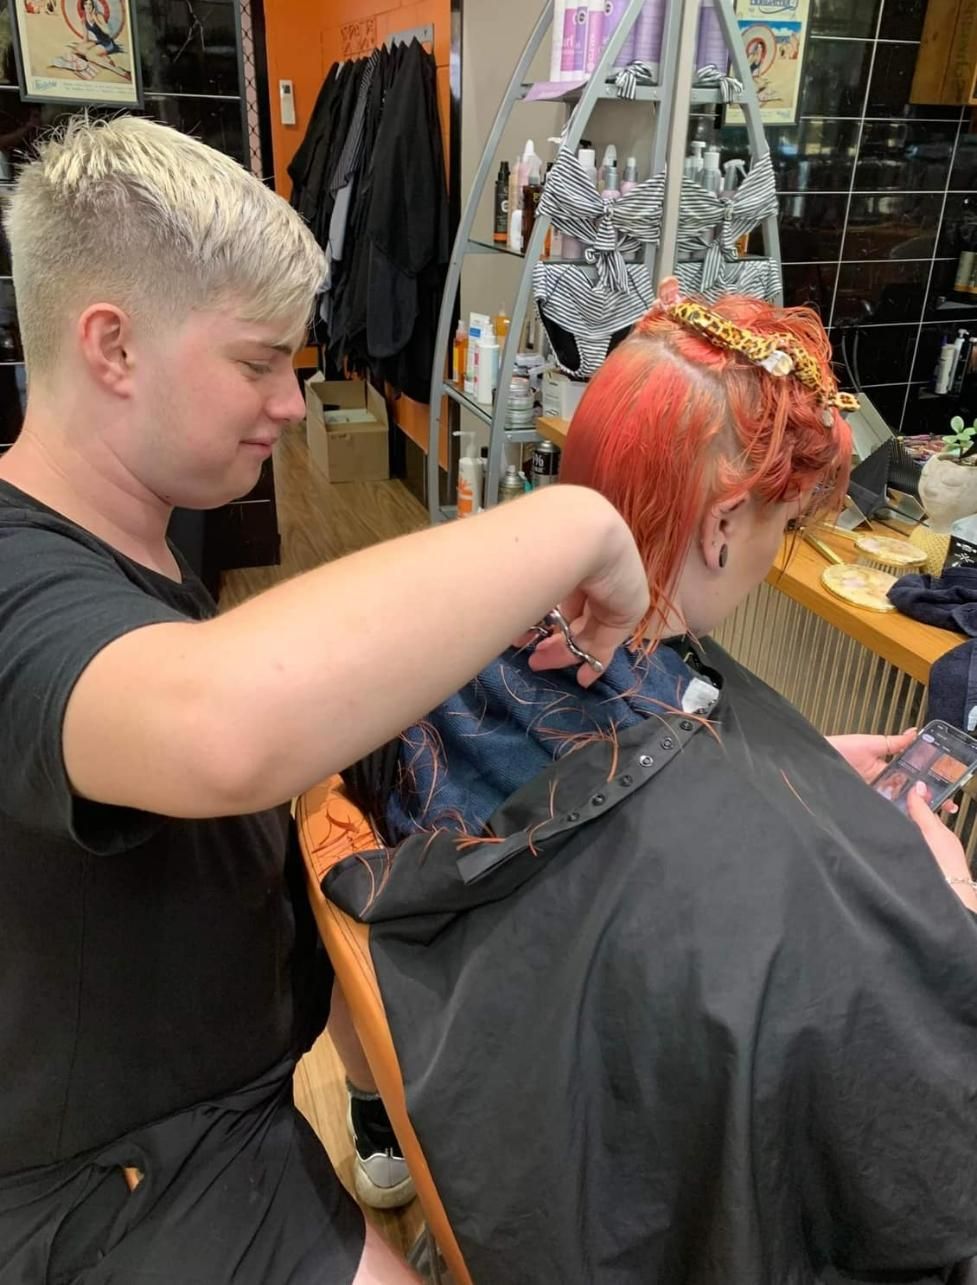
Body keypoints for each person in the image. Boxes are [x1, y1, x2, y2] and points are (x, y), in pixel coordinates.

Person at [0, 115, 651, 1284]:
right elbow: (221, 725)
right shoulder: (13, 584)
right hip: (112, 1185)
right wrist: (573, 520)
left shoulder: (135, 544)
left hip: (220, 1112)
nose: (292, 404)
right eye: (256, 363)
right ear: (113, 347)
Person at [332, 283, 977, 1284]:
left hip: (480, 1057)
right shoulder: (743, 858)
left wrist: (793, 770)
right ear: (723, 525)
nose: (774, 552)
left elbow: (666, 767)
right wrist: (938, 895)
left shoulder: (451, 635)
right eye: (781, 528)